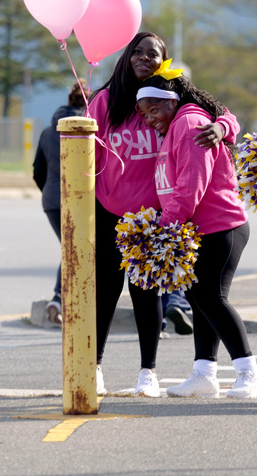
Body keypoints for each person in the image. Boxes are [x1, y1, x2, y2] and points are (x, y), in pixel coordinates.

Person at [89, 32, 238, 397]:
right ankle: (93, 368)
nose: (144, 58)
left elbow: (225, 116)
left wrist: (221, 127)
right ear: (126, 57)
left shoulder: (172, 96)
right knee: (105, 290)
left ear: (163, 61)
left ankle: (148, 373)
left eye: (152, 53)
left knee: (146, 291)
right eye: (137, 52)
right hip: (109, 209)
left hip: (153, 214)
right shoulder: (105, 101)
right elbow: (86, 153)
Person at [136, 75, 257, 399]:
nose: (149, 119)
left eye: (154, 110)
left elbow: (191, 185)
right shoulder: (176, 126)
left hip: (221, 226)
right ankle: (204, 374)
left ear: (172, 101)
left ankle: (250, 372)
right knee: (199, 299)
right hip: (201, 228)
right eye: (145, 113)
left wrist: (165, 229)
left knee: (211, 297)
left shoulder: (189, 124)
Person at [33, 79, 86, 325]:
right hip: (81, 199)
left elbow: (37, 170)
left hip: (52, 200)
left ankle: (63, 300)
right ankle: (60, 299)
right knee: (75, 249)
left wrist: (50, 191)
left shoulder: (47, 131)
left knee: (70, 248)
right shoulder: (88, 128)